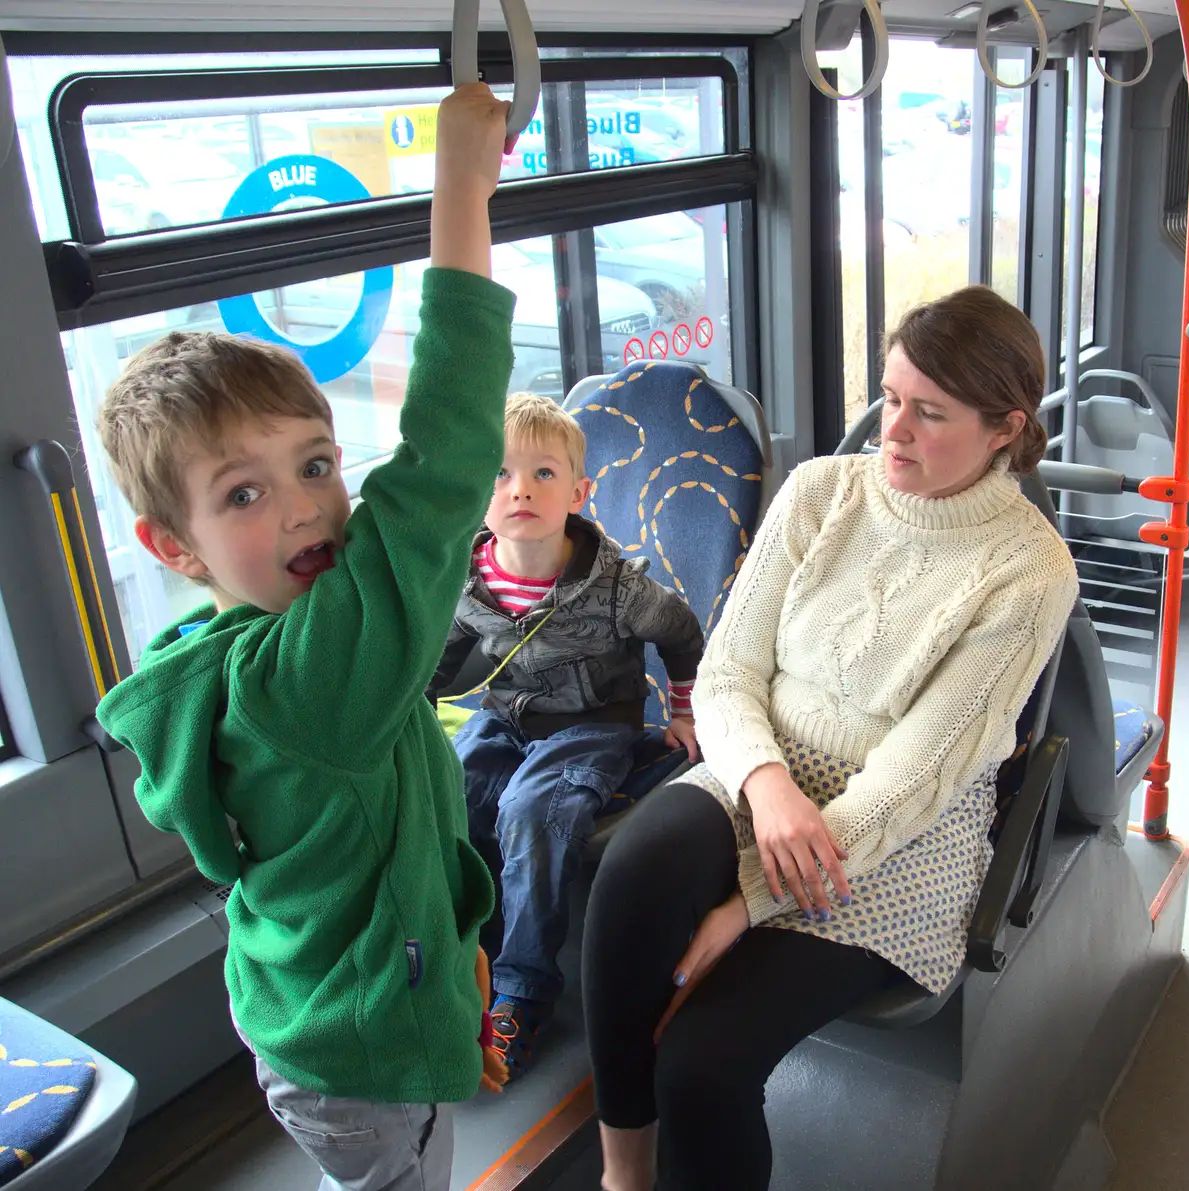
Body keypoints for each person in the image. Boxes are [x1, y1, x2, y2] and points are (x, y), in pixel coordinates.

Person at [93, 83, 519, 1191]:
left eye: (317, 468)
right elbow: (440, 469)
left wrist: (457, 935)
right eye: (243, 495)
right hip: (366, 1055)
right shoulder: (304, 687)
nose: (304, 510)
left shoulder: (221, 657)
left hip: (316, 1015)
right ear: (172, 546)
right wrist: (462, 186)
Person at [581, 285, 1080, 1191]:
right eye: (891, 398)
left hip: (897, 842)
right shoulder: (819, 492)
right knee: (628, 880)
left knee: (702, 1064)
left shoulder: (1030, 571)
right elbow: (730, 674)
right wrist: (766, 786)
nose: (894, 429)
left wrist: (746, 905)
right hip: (761, 770)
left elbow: (917, 775)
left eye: (929, 414)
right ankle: (625, 1173)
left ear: (1005, 428)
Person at [427, 392, 704, 1078]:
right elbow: (438, 661)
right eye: (499, 474)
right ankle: (471, 958)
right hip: (505, 716)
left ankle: (522, 986)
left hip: (589, 726)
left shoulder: (614, 587)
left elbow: (680, 632)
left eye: (543, 474)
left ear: (577, 491)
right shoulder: (469, 579)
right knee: (450, 796)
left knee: (532, 812)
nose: (519, 488)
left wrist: (683, 712)